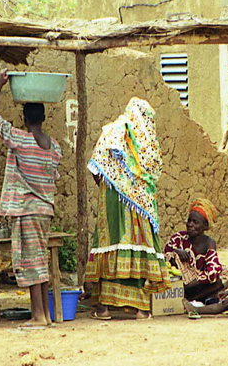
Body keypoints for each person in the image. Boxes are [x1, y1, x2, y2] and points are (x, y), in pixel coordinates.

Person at [0, 68, 62, 328]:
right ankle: (45, 315)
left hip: (28, 209)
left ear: (24, 118)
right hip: (44, 211)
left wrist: (0, 84)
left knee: (31, 262)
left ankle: (39, 316)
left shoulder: (20, 140)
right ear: (43, 117)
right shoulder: (54, 148)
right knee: (39, 260)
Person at [84, 97, 171, 320]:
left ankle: (104, 308)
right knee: (139, 243)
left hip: (111, 202)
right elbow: (152, 176)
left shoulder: (111, 132)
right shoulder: (148, 142)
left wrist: (113, 187)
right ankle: (141, 309)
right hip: (140, 206)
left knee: (109, 242)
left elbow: (96, 167)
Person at [164, 198, 228, 302]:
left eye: (195, 222)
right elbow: (164, 257)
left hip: (200, 283)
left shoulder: (209, 242)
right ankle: (205, 296)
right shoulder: (178, 238)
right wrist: (176, 252)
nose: (190, 225)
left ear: (205, 226)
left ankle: (193, 299)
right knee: (175, 257)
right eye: (189, 221)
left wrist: (200, 278)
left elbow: (212, 269)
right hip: (183, 283)